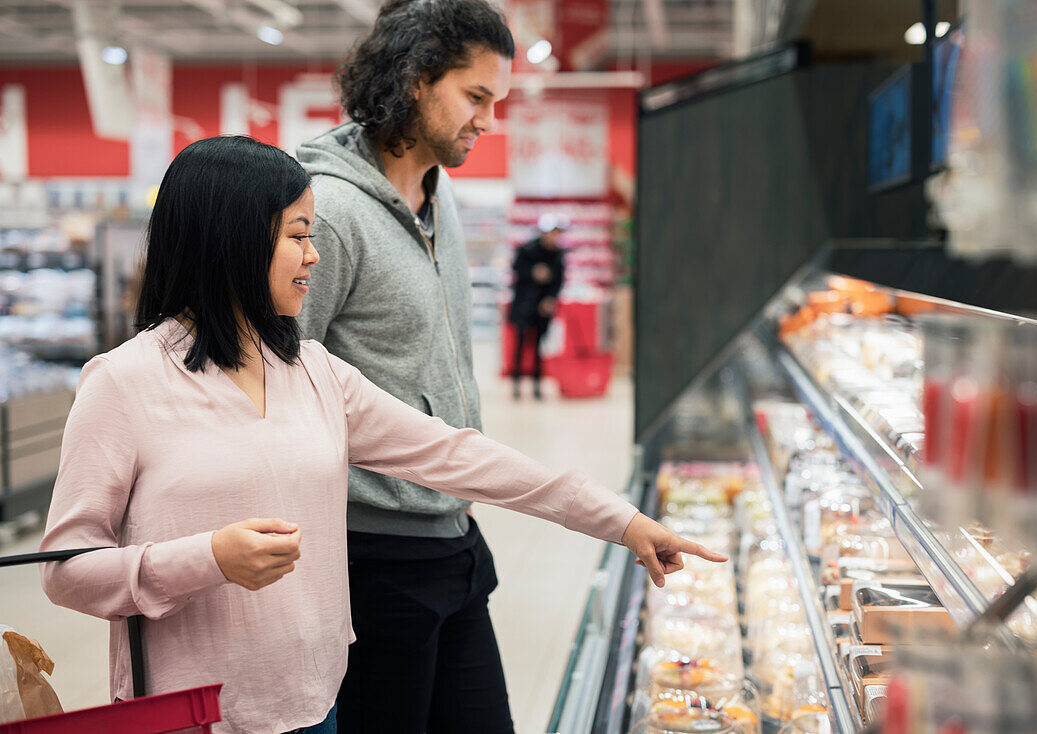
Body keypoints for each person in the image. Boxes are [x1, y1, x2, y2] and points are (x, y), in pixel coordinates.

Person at [37, 136, 725, 734]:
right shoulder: (123, 384)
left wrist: (622, 521)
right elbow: (67, 571)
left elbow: (456, 456)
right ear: (233, 239)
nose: (313, 255)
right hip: (198, 714)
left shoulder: (314, 372)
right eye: (296, 234)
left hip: (316, 702)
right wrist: (207, 558)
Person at [293, 0, 543, 730]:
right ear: (415, 80)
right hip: (371, 560)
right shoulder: (330, 212)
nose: (488, 121)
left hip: (455, 539)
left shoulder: (441, 196)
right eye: (476, 97)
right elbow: (278, 384)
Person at [508, 213, 567, 399]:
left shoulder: (558, 255)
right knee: (520, 344)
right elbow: (516, 270)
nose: (554, 237)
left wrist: (550, 299)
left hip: (543, 308)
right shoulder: (527, 249)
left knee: (539, 347)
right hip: (524, 305)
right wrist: (533, 272)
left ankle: (537, 385)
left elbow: (559, 282)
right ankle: (516, 384)